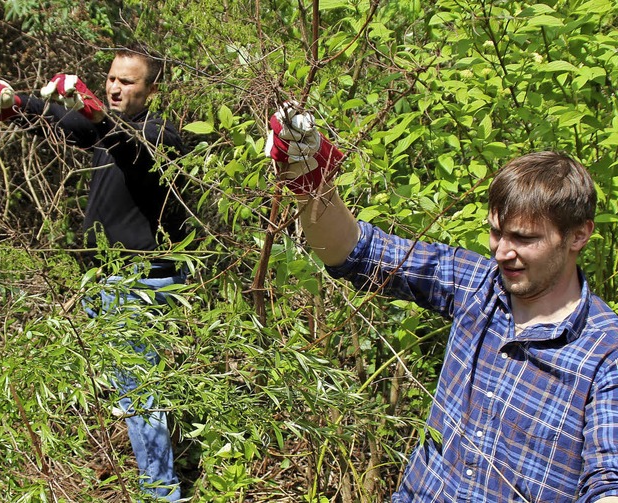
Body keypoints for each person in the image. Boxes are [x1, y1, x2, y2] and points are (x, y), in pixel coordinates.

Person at [265, 103, 618, 502]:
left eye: (523, 238)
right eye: (496, 233)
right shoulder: (478, 286)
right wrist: (309, 173)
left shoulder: (606, 352)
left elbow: (608, 477)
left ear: (578, 236)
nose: (502, 252)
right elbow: (356, 253)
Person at [0, 46, 187, 501]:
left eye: (128, 82)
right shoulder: (107, 130)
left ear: (152, 90)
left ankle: (161, 493)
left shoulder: (160, 135)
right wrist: (17, 105)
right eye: (111, 79)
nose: (115, 87)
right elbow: (65, 122)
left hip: (139, 279)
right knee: (131, 390)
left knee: (138, 393)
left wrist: (95, 115)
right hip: (110, 280)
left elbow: (127, 145)